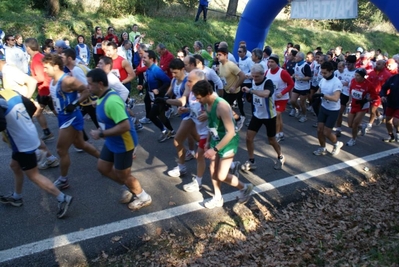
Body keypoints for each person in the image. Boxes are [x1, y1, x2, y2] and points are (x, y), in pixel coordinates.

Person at [0, 89, 72, 219]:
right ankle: (17, 197)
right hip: (28, 132)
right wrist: (20, 122)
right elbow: (32, 107)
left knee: (33, 175)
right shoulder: (9, 91)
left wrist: (15, 125)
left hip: (21, 142)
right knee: (15, 166)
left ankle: (62, 198)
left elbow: (1, 124)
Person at [87, 68, 152, 210]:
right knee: (103, 168)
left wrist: (101, 134)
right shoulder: (101, 97)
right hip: (112, 140)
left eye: (90, 84)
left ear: (100, 84)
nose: (88, 87)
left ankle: (143, 196)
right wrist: (101, 130)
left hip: (124, 143)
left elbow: (125, 126)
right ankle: (130, 187)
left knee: (123, 175)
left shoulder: (112, 101)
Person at [42, 54, 100, 189]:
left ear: (56, 67)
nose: (44, 70)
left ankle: (63, 180)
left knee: (61, 150)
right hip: (63, 117)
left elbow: (86, 90)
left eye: (46, 67)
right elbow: (58, 97)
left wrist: (75, 103)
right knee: (81, 144)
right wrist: (48, 100)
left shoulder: (67, 80)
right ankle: (105, 159)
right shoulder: (53, 80)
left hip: (71, 118)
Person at [192, 80, 253, 209]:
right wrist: (208, 141)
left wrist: (214, 150)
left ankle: (245, 187)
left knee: (221, 175)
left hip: (228, 142)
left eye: (199, 98)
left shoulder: (222, 106)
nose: (198, 101)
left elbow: (230, 132)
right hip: (216, 140)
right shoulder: (208, 103)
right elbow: (212, 124)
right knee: (212, 169)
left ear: (208, 93)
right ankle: (217, 197)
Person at [241, 63, 286, 170]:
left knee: (271, 140)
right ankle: (251, 161)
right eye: (253, 76)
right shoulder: (253, 81)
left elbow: (266, 94)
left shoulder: (268, 82)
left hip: (269, 116)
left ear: (262, 74)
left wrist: (251, 91)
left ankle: (280, 156)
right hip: (257, 115)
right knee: (248, 138)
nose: (255, 78)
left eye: (257, 76)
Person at [139, 50, 173, 141]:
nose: (143, 59)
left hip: (160, 97)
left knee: (152, 116)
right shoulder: (148, 69)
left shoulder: (156, 70)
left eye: (145, 57)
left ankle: (165, 132)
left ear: (151, 59)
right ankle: (171, 131)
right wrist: (143, 86)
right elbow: (150, 81)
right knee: (161, 116)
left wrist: (159, 90)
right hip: (152, 95)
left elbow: (168, 82)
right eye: (143, 57)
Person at [312, 62, 343, 156]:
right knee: (319, 130)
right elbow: (319, 90)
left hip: (333, 110)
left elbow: (335, 98)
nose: (323, 75)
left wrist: (323, 95)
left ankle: (337, 144)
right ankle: (322, 148)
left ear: (331, 71)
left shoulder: (336, 82)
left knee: (326, 132)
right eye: (322, 72)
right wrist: (317, 95)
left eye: (325, 73)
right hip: (324, 107)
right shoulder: (323, 80)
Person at [265, 54, 294, 142]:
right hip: (272, 98)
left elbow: (291, 84)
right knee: (279, 116)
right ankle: (281, 133)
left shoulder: (282, 72)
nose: (270, 64)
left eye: (272, 62)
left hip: (282, 98)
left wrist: (282, 93)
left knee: (276, 115)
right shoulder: (267, 72)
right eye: (269, 62)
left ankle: (276, 135)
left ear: (277, 63)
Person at [346, 68, 377, 146]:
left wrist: (366, 100)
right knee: (350, 124)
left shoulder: (368, 84)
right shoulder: (353, 81)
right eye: (355, 75)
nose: (356, 77)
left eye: (358, 76)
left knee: (355, 123)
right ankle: (362, 127)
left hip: (362, 106)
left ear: (363, 76)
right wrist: (349, 100)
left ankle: (353, 139)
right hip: (353, 104)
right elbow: (350, 91)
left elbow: (374, 96)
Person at [217, 47, 246, 130]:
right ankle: (237, 119)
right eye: (217, 55)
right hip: (226, 90)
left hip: (234, 91)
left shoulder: (231, 65)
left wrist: (235, 86)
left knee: (225, 108)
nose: (217, 56)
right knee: (227, 108)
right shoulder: (220, 65)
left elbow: (242, 76)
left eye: (220, 55)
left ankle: (236, 121)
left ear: (225, 55)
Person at [364, 59, 392, 133]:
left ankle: (369, 125)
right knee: (372, 108)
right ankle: (379, 116)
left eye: (379, 64)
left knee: (372, 110)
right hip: (371, 94)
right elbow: (368, 82)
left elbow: (389, 86)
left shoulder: (387, 75)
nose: (377, 65)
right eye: (376, 64)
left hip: (379, 95)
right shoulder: (372, 73)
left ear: (383, 65)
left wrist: (386, 95)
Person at [335, 55, 357, 137]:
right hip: (344, 93)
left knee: (351, 120)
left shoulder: (357, 72)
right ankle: (338, 129)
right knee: (339, 111)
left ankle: (359, 127)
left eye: (349, 64)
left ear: (354, 63)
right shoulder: (345, 70)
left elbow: (358, 84)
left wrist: (349, 84)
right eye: (347, 64)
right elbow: (341, 79)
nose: (348, 66)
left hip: (353, 95)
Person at [289, 51, 312, 122]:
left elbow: (309, 77)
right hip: (297, 86)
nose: (295, 58)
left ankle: (304, 115)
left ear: (300, 58)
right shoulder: (296, 64)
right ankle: (298, 109)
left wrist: (301, 78)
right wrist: (292, 76)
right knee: (292, 101)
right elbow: (296, 73)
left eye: (296, 56)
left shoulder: (306, 66)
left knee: (302, 103)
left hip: (304, 87)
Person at [380, 72, 399, 142]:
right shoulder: (393, 78)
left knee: (396, 121)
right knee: (387, 120)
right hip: (391, 102)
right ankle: (391, 135)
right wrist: (383, 95)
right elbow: (384, 88)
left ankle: (398, 132)